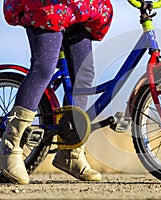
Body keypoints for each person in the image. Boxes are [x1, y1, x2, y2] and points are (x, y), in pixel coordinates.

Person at [0, 0, 113, 184]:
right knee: (44, 67)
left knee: (83, 74)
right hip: (46, 7)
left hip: (80, 8)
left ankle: (71, 150)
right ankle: (10, 145)